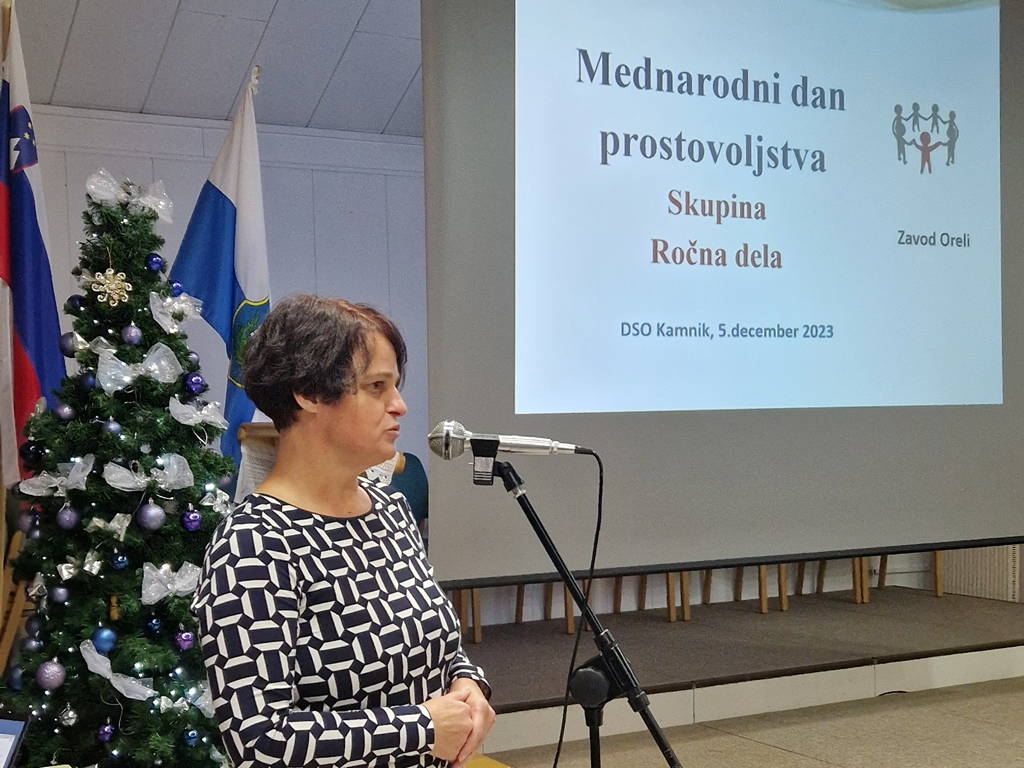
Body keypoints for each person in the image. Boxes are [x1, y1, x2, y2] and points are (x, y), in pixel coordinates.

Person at [192, 295, 494, 768]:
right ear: (308, 394)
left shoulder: (391, 510)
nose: (400, 406)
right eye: (376, 387)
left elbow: (438, 646)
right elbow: (258, 741)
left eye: (395, 386)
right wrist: (420, 727)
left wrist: (468, 682)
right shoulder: (253, 545)